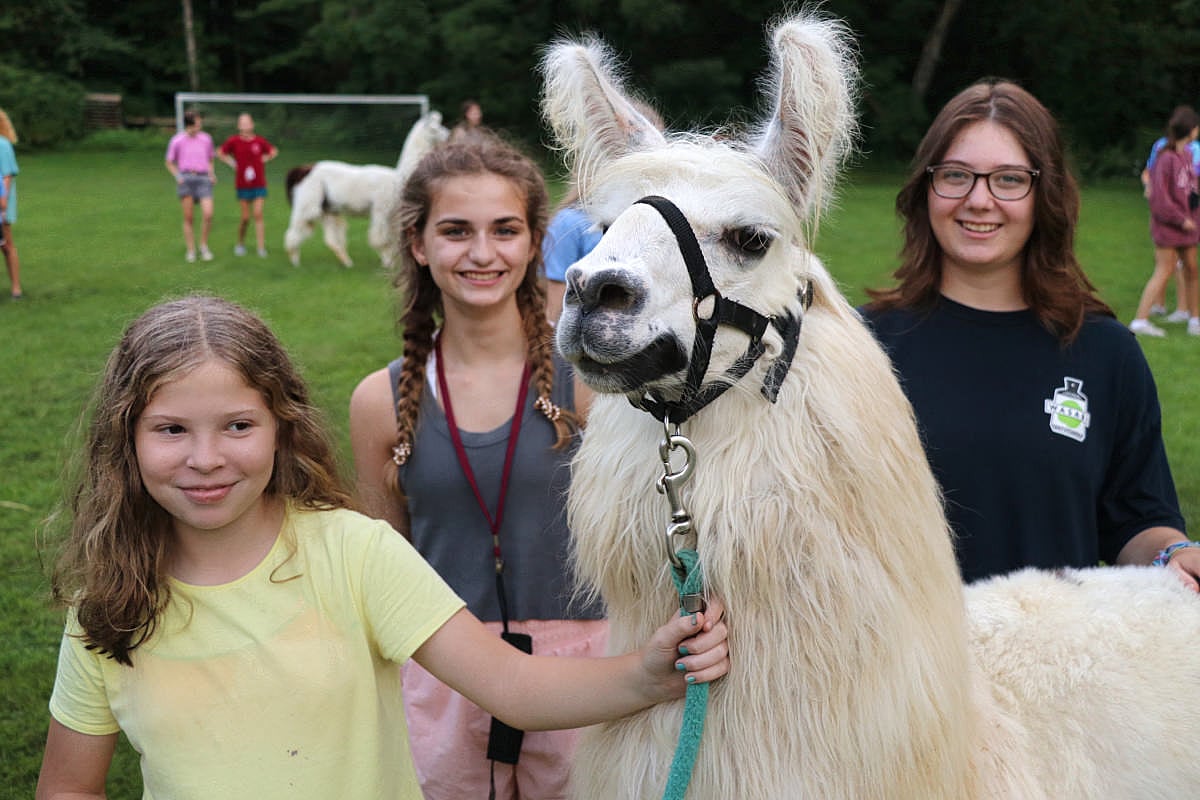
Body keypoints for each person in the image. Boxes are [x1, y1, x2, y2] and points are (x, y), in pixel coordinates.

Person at [35, 294, 728, 800]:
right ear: (126, 438)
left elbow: (513, 687)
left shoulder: (355, 552)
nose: (207, 458)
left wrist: (646, 674)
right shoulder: (108, 606)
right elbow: (68, 786)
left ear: (281, 426)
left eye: (238, 425)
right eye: (171, 430)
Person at [860, 79, 1200, 589]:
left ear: (1046, 194)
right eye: (956, 175)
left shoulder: (1107, 354)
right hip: (895, 665)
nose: (979, 200)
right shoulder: (862, 348)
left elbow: (1137, 521)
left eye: (1009, 179)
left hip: (1053, 664)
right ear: (925, 188)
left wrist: (1172, 554)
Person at [349, 137, 608, 799]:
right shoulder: (380, 402)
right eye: (456, 231)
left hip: (585, 676)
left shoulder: (590, 387)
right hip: (444, 679)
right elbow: (382, 573)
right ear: (417, 243)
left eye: (505, 230)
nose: (483, 253)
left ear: (534, 244)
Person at [1130, 105, 1200, 336]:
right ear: (1190, 130)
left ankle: (1194, 320)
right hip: (1170, 226)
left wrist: (1194, 213)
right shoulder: (1165, 158)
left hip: (1188, 225)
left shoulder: (1188, 155)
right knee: (1165, 269)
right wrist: (1181, 220)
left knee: (1191, 269)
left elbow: (1190, 188)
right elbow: (1159, 198)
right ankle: (1140, 321)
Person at [218, 112, 278, 257]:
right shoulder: (234, 141)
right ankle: (240, 244)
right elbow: (220, 152)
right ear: (239, 126)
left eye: (247, 123)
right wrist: (232, 163)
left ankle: (261, 247)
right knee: (245, 218)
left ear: (252, 125)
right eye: (242, 123)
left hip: (259, 184)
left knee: (258, 214)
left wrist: (265, 158)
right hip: (242, 185)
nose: (245, 126)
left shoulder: (259, 141)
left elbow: (273, 150)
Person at [164, 111, 216, 263]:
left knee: (208, 214)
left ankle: (204, 246)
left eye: (200, 123)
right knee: (189, 218)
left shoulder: (206, 139)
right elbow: (169, 162)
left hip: (203, 178)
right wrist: (178, 176)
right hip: (186, 179)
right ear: (189, 125)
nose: (199, 126)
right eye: (196, 124)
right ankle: (191, 250)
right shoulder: (177, 140)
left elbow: (210, 159)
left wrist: (212, 174)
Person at [0, 108, 22, 298]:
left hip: (1, 203)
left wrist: (3, 201)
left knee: (6, 244)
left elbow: (7, 175)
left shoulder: (3, 145)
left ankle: (16, 288)